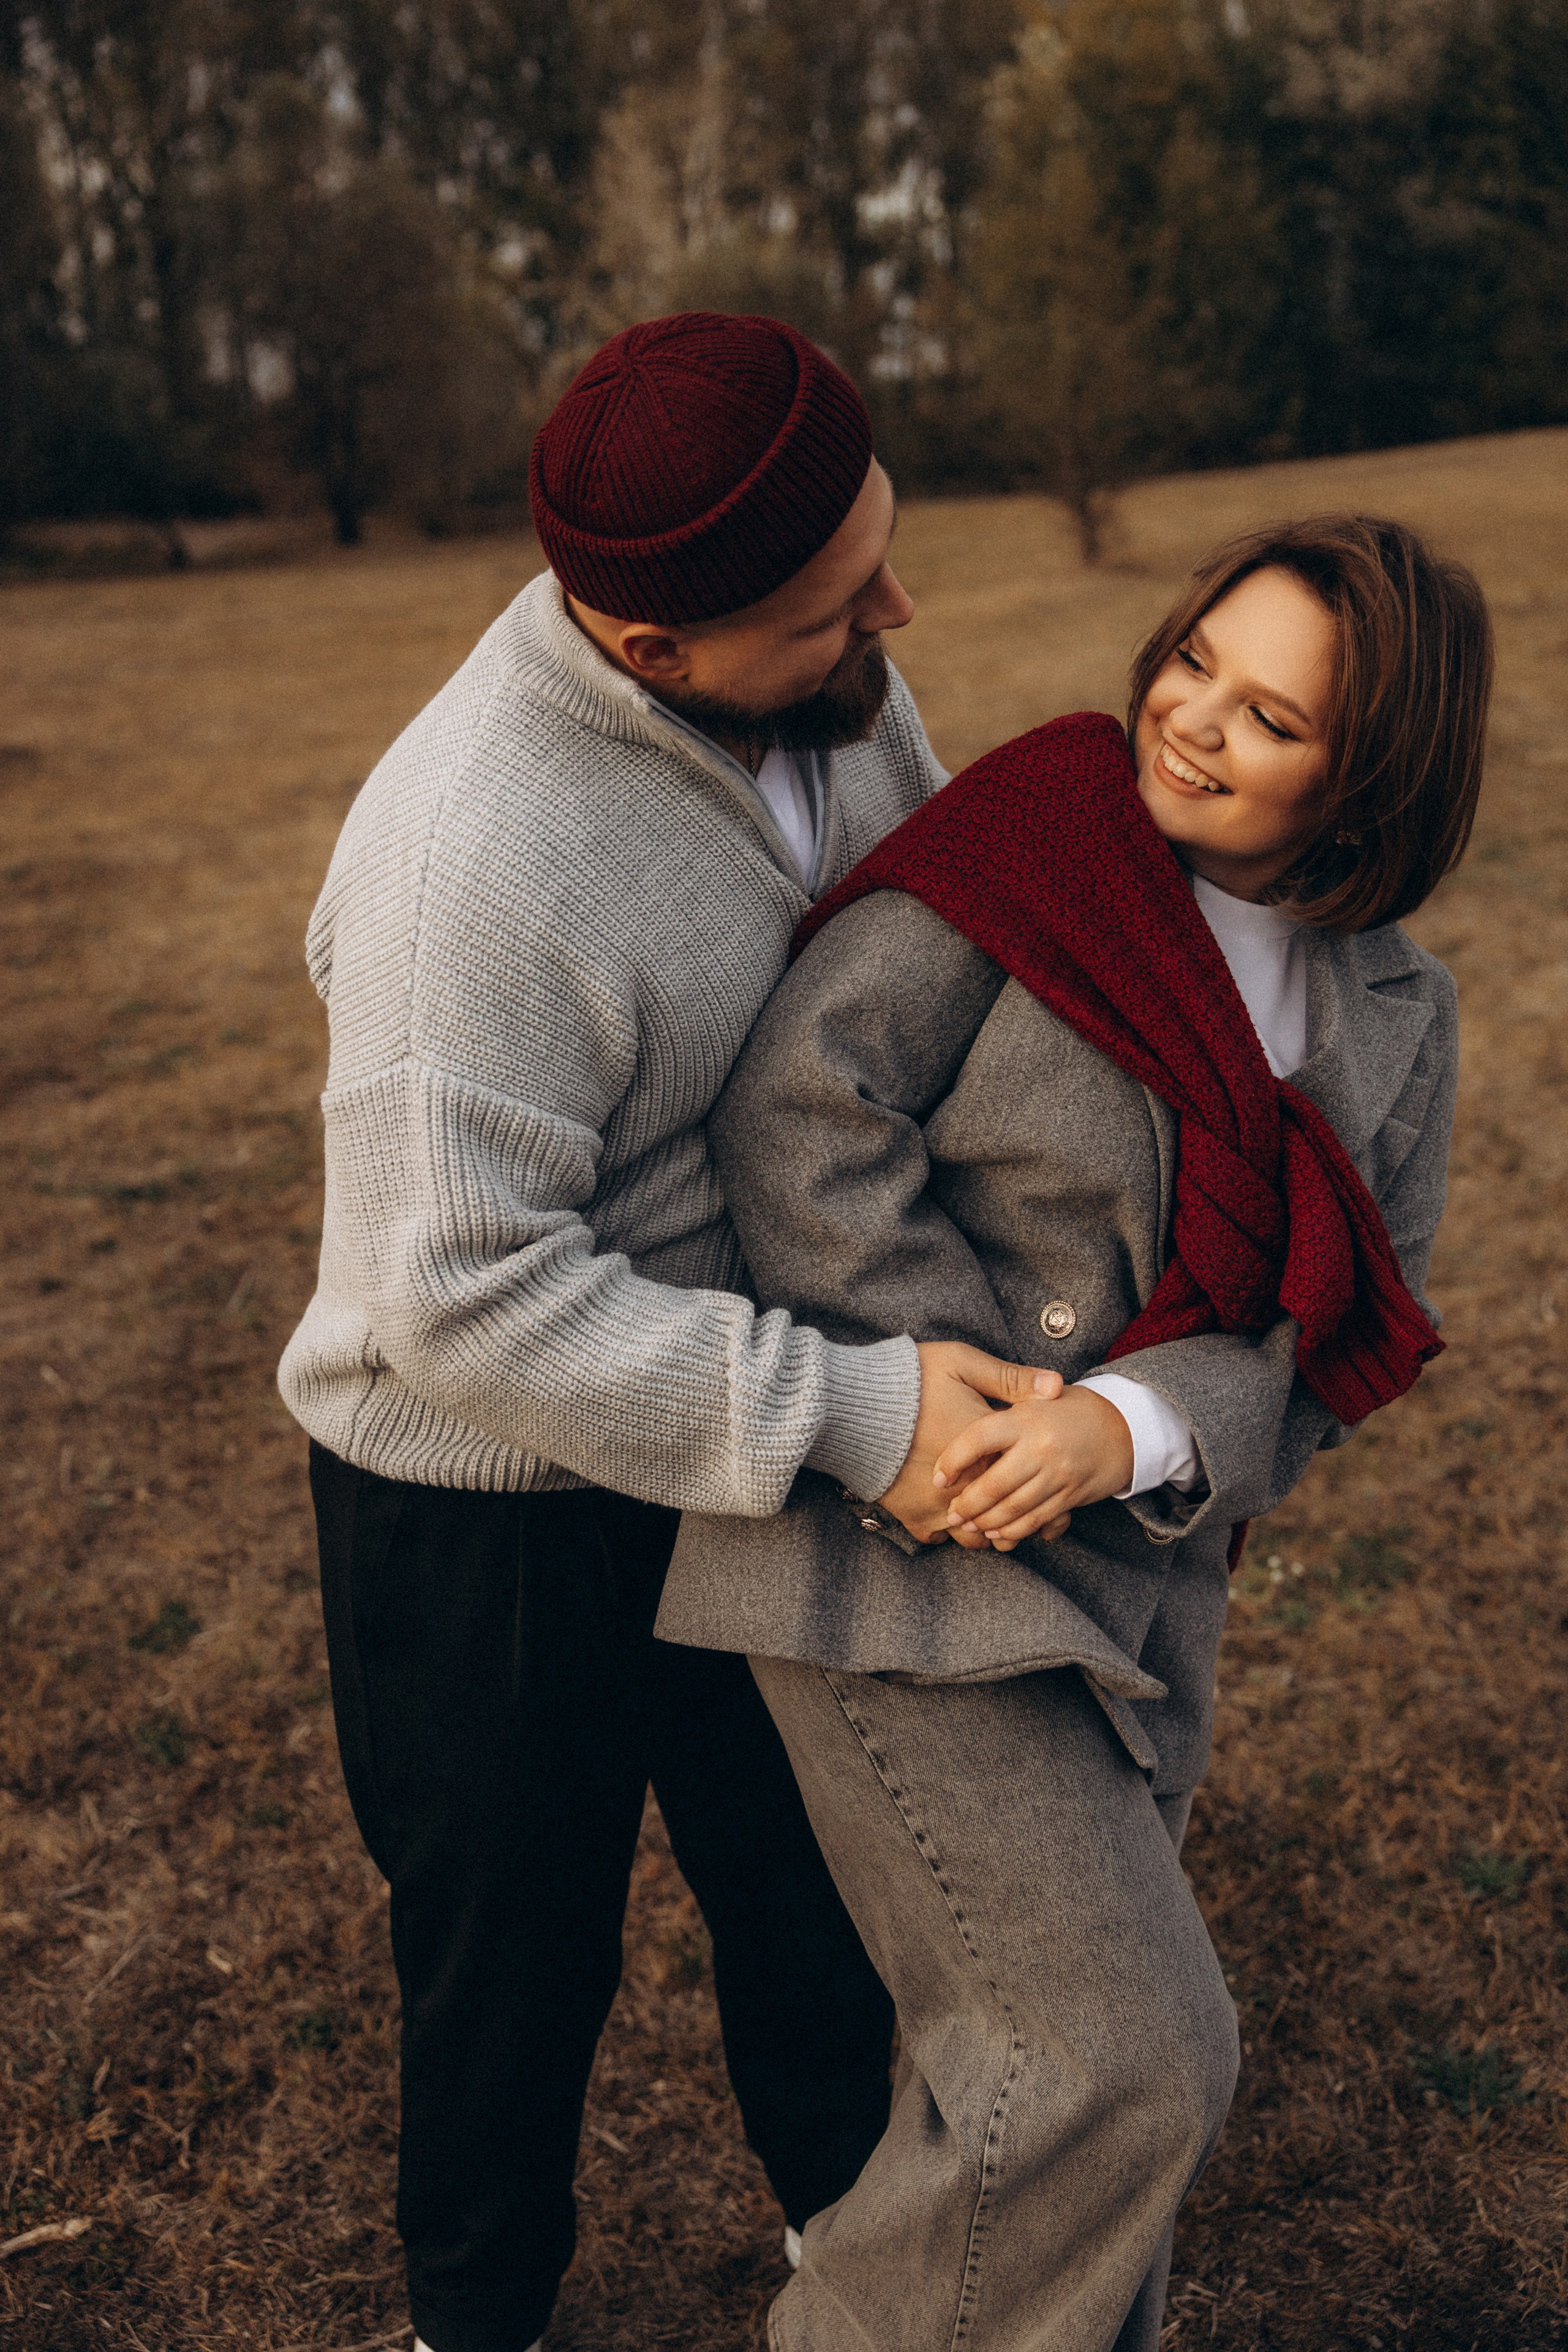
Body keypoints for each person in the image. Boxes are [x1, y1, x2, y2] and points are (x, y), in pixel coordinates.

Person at [276, 311, 1042, 2352]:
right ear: (649, 651)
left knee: (815, 1890)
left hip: (750, 1441)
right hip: (487, 1505)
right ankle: (481, 2316)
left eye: (877, 544)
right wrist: (858, 1411)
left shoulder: (843, 683)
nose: (896, 611)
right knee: (511, 1965)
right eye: (830, 604)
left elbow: (948, 938)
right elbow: (457, 1297)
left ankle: (856, 2266)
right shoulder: (473, 861)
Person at [658, 514, 1494, 2352]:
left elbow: (1341, 1331)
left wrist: (1127, 1427)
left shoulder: (1395, 1011)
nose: (1191, 720)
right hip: (899, 1549)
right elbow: (803, 1117)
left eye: (1271, 717)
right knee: (1127, 2067)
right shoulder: (1039, 839)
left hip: (1142, 1589)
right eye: (1197, 655)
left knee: (1022, 2096)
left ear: (1371, 779)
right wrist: (961, 1394)